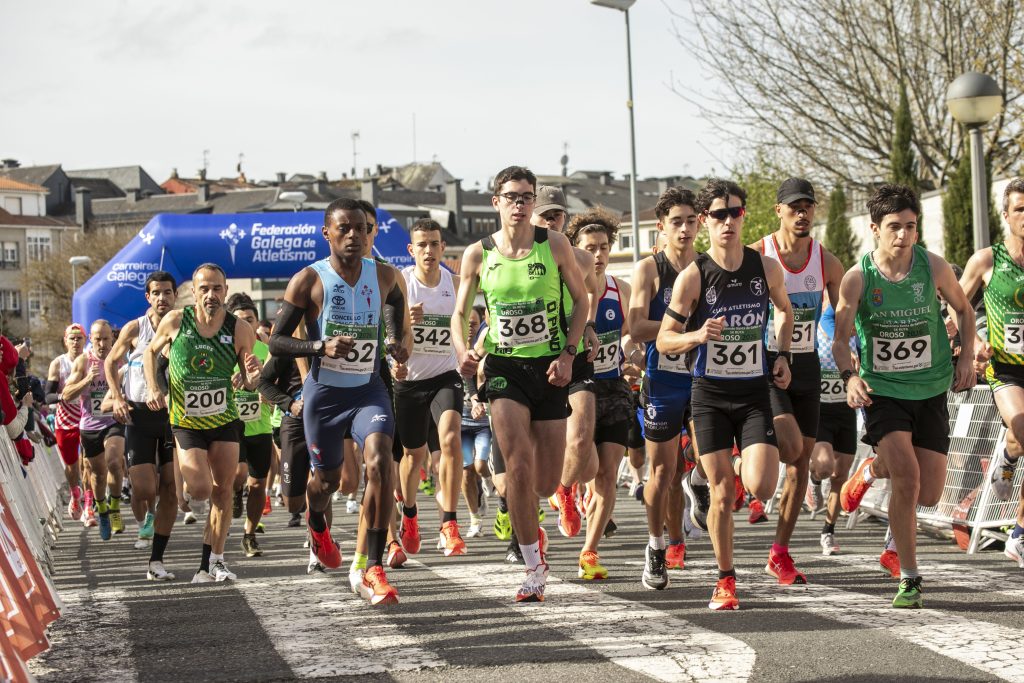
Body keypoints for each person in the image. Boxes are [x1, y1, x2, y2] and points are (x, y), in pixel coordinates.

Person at [451, 166, 590, 603]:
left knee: (546, 482)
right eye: (511, 197)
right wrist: (463, 352)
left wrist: (569, 353)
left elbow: (582, 299)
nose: (519, 204)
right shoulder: (478, 254)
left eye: (526, 197)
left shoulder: (555, 245)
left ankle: (539, 516)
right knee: (516, 469)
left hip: (549, 369)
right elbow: (460, 314)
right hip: (505, 369)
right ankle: (532, 564)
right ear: (496, 202)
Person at [834, 184, 975, 608]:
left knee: (928, 494)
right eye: (894, 227)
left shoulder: (932, 267)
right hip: (884, 392)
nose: (903, 235)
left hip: (931, 388)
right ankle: (909, 576)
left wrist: (966, 355)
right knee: (909, 479)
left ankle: (871, 471)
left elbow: (965, 310)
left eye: (911, 227)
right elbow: (840, 339)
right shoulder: (858, 278)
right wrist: (849, 377)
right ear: (874, 228)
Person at [656, 178, 793, 610]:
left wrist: (784, 353)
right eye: (718, 215)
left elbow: (786, 311)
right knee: (720, 493)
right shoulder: (693, 277)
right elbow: (663, 340)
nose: (727, 221)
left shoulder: (766, 268)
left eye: (734, 213)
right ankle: (725, 579)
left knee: (762, 485)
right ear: (704, 222)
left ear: (743, 217)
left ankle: (736, 461)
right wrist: (697, 335)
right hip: (710, 394)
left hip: (753, 393)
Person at [270, 198, 409, 606]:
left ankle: (374, 565)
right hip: (324, 398)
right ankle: (317, 525)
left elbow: (394, 304)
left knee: (381, 461)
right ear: (326, 233)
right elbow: (276, 341)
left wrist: (395, 341)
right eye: (344, 229)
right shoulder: (308, 280)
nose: (354, 236)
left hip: (369, 391)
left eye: (362, 229)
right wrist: (319, 345)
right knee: (326, 483)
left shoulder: (384, 274)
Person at [143, 263, 263, 583]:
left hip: (224, 420)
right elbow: (148, 354)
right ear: (193, 292)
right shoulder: (176, 321)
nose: (211, 295)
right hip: (187, 421)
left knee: (223, 491)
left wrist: (253, 374)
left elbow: (250, 381)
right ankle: (208, 558)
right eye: (204, 289)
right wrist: (155, 387)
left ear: (225, 291)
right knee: (198, 489)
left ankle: (213, 561)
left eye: (217, 288)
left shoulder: (239, 329)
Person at [752, 178, 844, 584]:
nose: (802, 213)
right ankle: (746, 451)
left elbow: (846, 318)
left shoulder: (827, 261)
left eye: (808, 206)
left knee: (800, 466)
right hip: (766, 364)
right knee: (789, 448)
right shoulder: (758, 254)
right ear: (779, 211)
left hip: (807, 366)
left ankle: (780, 552)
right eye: (794, 207)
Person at [626, 186, 702, 588]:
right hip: (663, 380)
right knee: (663, 472)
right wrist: (687, 330)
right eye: (677, 222)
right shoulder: (649, 270)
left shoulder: (709, 267)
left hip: (705, 377)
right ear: (662, 227)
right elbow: (637, 327)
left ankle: (702, 486)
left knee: (709, 458)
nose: (685, 229)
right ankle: (657, 546)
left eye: (692, 221)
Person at [956, 177, 1024, 568]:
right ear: (1005, 215)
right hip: (1005, 369)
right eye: (1019, 209)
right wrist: (971, 342)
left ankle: (1018, 531)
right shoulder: (987, 260)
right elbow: (956, 302)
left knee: (1020, 438)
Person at [566, 208, 636, 579]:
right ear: (577, 250)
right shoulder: (567, 289)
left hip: (612, 386)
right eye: (590, 247)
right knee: (587, 464)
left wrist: (633, 352)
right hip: (576, 388)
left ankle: (589, 551)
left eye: (604, 247)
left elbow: (630, 334)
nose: (598, 255)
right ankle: (569, 490)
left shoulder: (620, 290)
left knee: (607, 473)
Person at [395, 218, 468, 557]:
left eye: (434, 243)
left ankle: (449, 523)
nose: (428, 250)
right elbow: (381, 334)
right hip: (409, 381)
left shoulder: (455, 283)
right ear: (412, 250)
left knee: (451, 438)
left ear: (442, 248)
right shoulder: (400, 285)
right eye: (421, 244)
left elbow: (477, 312)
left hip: (445, 376)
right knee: (413, 455)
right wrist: (403, 324)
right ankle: (409, 513)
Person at [532, 186, 600, 540]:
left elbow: (586, 296)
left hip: (572, 355)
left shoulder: (582, 259)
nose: (552, 221)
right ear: (531, 217)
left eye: (558, 215)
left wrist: (587, 326)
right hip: (534, 358)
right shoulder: (519, 257)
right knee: (547, 451)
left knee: (583, 435)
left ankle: (564, 490)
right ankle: (525, 525)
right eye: (545, 215)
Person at [104, 271, 179, 580]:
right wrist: (118, 398)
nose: (162, 298)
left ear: (175, 295)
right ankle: (145, 518)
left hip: (173, 417)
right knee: (146, 487)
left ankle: (156, 560)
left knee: (170, 488)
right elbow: (110, 362)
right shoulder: (135, 328)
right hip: (138, 415)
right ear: (148, 297)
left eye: (167, 292)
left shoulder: (183, 325)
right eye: (156, 293)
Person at [61, 320, 127, 541]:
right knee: (98, 475)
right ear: (91, 338)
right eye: (97, 339)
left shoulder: (119, 358)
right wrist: (88, 379)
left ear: (112, 339)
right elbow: (66, 394)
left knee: (114, 462)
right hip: (89, 426)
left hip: (114, 421)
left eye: (106, 338)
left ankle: (115, 507)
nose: (102, 343)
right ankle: (102, 512)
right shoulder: (83, 361)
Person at [226, 293, 274, 559]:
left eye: (250, 320)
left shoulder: (266, 350)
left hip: (260, 424)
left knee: (257, 485)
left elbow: (275, 384)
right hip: (231, 423)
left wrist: (267, 392)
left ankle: (249, 534)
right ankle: (234, 490)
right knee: (239, 473)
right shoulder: (223, 349)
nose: (246, 324)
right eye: (240, 320)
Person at [809, 300, 858, 556]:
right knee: (825, 465)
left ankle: (828, 530)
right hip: (820, 409)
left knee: (840, 475)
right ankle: (815, 479)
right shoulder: (828, 319)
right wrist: (844, 349)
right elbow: (828, 320)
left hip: (846, 410)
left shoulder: (860, 327)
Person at [45, 324, 88, 522]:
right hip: (65, 420)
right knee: (71, 465)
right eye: (72, 338)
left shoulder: (91, 360)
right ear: (65, 340)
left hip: (88, 416)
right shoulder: (58, 363)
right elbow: (48, 397)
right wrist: (66, 395)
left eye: (79, 338)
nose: (76, 342)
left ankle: (89, 503)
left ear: (85, 340)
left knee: (88, 462)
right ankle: (75, 493)